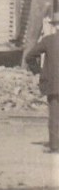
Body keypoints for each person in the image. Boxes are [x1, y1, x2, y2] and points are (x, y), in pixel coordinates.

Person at [25, 12, 59, 153]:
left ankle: (55, 146)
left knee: (55, 115)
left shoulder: (48, 40)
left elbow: (30, 56)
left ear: (56, 26)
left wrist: (38, 71)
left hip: (53, 85)